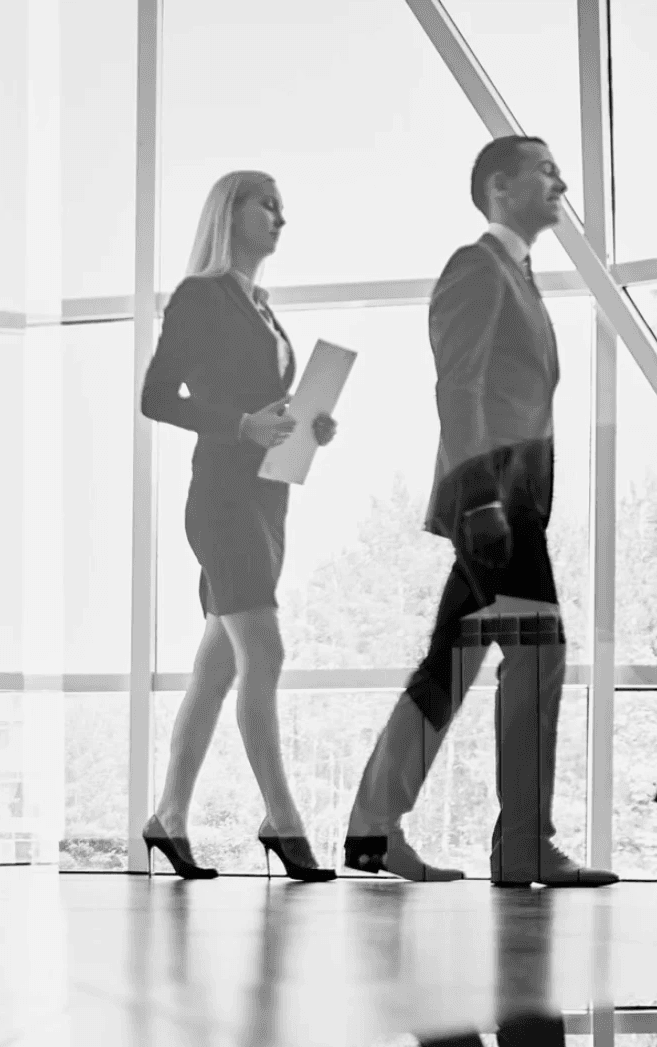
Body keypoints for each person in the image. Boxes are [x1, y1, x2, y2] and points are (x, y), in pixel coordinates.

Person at [343, 136, 617, 887]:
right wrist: (484, 498)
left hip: (507, 499)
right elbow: (456, 386)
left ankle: (372, 829)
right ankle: (523, 843)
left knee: (451, 661)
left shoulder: (517, 276)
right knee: (540, 653)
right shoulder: (476, 267)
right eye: (545, 169)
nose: (560, 179)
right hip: (491, 500)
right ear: (500, 187)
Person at [140, 170, 337, 882]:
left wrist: (305, 420)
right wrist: (240, 424)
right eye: (267, 204)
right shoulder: (202, 296)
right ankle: (282, 822)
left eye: (284, 205)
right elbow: (155, 396)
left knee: (217, 668)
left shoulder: (262, 305)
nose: (281, 216)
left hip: (268, 496)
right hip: (222, 499)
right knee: (267, 651)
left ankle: (167, 816)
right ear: (232, 212)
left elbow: (263, 404)